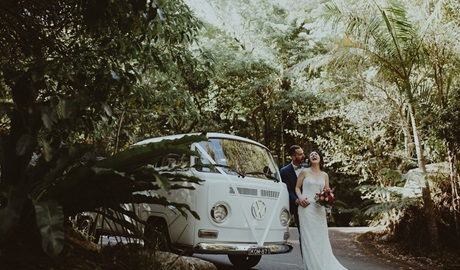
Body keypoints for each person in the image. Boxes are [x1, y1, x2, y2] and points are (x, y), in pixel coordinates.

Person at [295, 150, 347, 270]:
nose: (313, 155)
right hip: (306, 208)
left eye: (316, 154)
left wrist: (328, 199)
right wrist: (301, 197)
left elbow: (327, 191)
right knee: (309, 238)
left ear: (320, 159)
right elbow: (297, 188)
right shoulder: (304, 172)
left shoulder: (325, 175)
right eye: (311, 154)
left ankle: (324, 264)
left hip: (319, 210)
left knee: (321, 237)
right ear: (309, 159)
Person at [280, 145, 306, 234]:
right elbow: (288, 189)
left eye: (303, 153)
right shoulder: (284, 171)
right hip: (297, 205)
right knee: (302, 232)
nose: (303, 156)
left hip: (310, 202)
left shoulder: (308, 167)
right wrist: (297, 200)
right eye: (300, 154)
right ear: (293, 157)